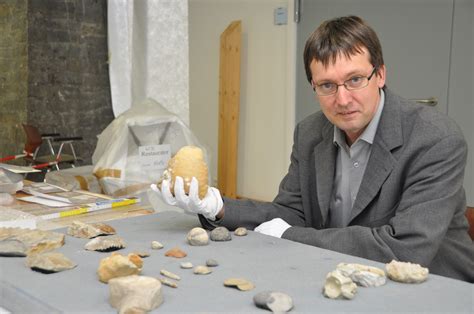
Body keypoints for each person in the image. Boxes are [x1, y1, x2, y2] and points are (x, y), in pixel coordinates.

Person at [152, 16, 474, 282]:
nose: (343, 99)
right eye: (327, 86)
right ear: (314, 87)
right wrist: (217, 207)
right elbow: (290, 214)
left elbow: (405, 249)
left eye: (355, 79)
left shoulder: (435, 138)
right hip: (345, 275)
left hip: (433, 286)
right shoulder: (310, 132)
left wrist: (290, 236)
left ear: (381, 75)